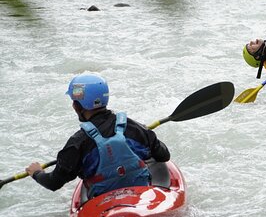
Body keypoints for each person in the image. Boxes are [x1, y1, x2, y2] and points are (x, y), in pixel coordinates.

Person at [25, 74, 170, 198]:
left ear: (76, 106)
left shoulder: (77, 143)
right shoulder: (135, 128)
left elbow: (53, 183)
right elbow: (163, 156)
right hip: (141, 197)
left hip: (103, 205)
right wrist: (147, 135)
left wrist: (37, 173)